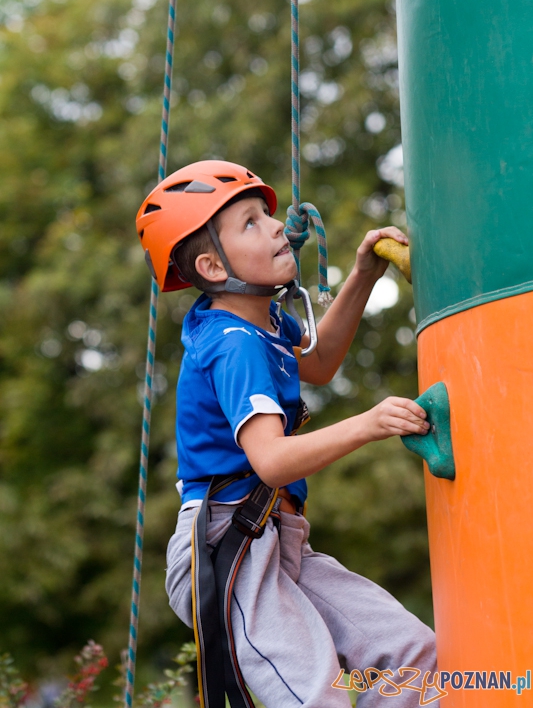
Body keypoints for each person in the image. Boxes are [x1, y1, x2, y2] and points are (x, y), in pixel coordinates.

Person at [136, 160, 440, 708]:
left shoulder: (267, 324)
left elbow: (320, 361)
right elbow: (272, 461)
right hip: (226, 550)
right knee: (314, 695)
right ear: (210, 263)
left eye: (267, 216)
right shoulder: (234, 342)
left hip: (276, 539)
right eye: (251, 223)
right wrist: (367, 424)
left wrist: (362, 276)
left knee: (413, 655)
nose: (277, 227)